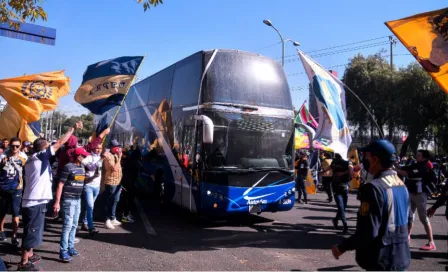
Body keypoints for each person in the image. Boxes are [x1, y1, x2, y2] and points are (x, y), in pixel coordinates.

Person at [331, 140, 410, 271]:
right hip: (401, 256)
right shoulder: (400, 184)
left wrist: (342, 247)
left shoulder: (374, 188)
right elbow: (409, 220)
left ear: (375, 159)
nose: (365, 160)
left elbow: (368, 231)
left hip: (381, 259)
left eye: (366, 157)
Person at [18, 121, 82, 271]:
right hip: (34, 202)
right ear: (43, 149)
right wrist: (72, 128)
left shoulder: (37, 158)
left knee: (33, 231)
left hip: (36, 201)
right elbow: (60, 142)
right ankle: (23, 263)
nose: (52, 148)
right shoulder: (39, 157)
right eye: (48, 146)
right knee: (31, 232)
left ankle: (31, 254)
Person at [53, 147, 90, 262]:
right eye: (84, 156)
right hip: (68, 200)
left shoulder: (82, 167)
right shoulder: (68, 167)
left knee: (74, 225)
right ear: (78, 156)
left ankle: (70, 247)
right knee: (67, 226)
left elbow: (82, 181)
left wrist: (94, 176)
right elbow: (60, 185)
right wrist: (57, 202)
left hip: (78, 199)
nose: (86, 157)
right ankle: (63, 251)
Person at [396, 149, 437, 251]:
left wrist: (395, 170)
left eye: (419, 155)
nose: (416, 156)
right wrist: (394, 164)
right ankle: (407, 236)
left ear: (424, 157)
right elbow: (404, 168)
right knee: (410, 215)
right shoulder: (416, 164)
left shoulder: (425, 167)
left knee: (423, 218)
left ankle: (431, 243)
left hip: (420, 194)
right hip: (411, 192)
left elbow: (407, 173)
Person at [0, 137, 27, 246]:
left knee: (16, 213)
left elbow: (25, 170)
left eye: (17, 146)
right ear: (9, 145)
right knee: (2, 212)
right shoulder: (2, 156)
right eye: (13, 145)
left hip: (16, 188)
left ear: (20, 146)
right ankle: (1, 231)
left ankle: (14, 236)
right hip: (3, 188)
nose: (15, 148)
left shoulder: (23, 156)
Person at [80, 142, 107, 235]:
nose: (98, 150)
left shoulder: (101, 158)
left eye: (100, 148)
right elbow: (91, 168)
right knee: (90, 206)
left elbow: (102, 172)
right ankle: (91, 227)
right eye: (97, 148)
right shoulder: (88, 158)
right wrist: (101, 159)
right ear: (92, 149)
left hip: (97, 186)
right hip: (88, 186)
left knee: (90, 207)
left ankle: (85, 222)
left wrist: (102, 185)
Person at [102, 139, 123, 229]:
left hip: (118, 182)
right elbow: (114, 168)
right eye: (116, 147)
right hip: (111, 182)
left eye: (118, 146)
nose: (117, 148)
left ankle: (112, 217)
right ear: (111, 147)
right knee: (109, 201)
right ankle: (107, 220)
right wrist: (120, 158)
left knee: (116, 200)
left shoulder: (115, 155)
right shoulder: (108, 156)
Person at [330, 153, 352, 233]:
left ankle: (335, 220)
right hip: (336, 185)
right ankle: (345, 226)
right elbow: (331, 168)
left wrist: (345, 172)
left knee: (343, 207)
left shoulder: (347, 162)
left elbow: (351, 172)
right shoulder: (334, 161)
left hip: (345, 184)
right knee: (341, 206)